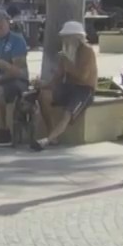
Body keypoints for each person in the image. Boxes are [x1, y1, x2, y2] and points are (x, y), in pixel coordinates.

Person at [35, 20, 98, 149]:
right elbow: (59, 75)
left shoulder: (87, 51)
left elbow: (82, 76)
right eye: (64, 37)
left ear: (77, 38)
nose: (65, 40)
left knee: (67, 114)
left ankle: (46, 141)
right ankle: (52, 134)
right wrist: (44, 85)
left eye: (68, 37)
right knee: (44, 96)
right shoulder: (64, 52)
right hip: (69, 86)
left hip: (84, 89)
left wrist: (67, 62)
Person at [0, 13, 32, 142]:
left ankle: (3, 131)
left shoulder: (17, 40)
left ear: (8, 22)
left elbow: (17, 70)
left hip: (17, 81)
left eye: (1, 21)